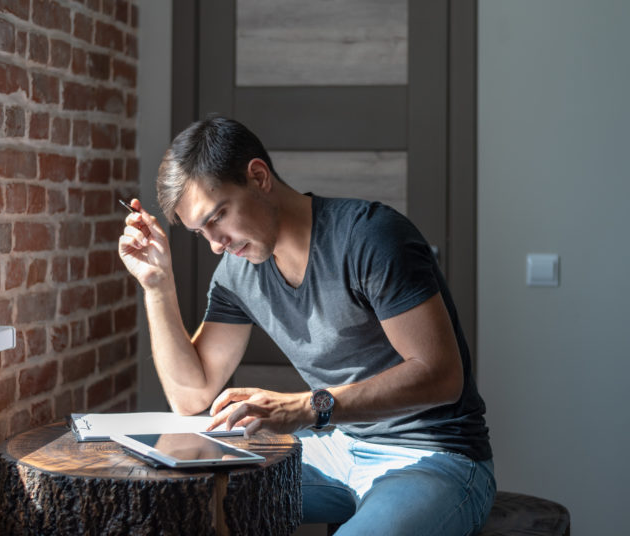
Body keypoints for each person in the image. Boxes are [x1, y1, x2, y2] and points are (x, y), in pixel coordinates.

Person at [118, 116, 495, 535]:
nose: (215, 243)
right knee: (186, 505)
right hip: (335, 449)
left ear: (258, 176)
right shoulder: (236, 272)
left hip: (436, 456)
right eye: (200, 231)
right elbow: (191, 396)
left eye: (218, 216)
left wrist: (305, 407)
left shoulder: (371, 237)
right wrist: (157, 285)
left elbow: (442, 376)